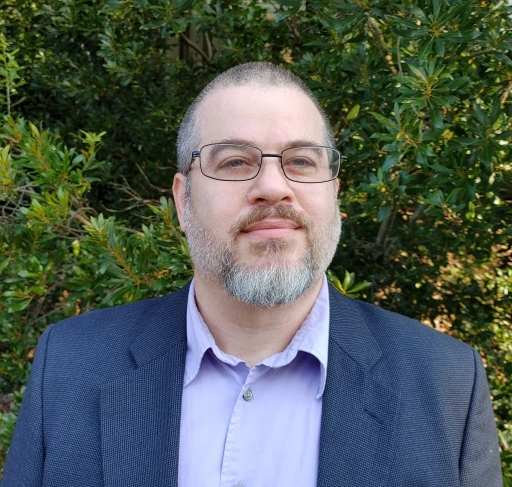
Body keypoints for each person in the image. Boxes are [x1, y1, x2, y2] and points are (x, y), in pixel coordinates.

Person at [2, 62, 502, 487]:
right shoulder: (70, 364)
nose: (273, 186)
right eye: (236, 161)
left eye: (301, 161)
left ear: (334, 194)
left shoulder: (447, 384)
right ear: (182, 200)